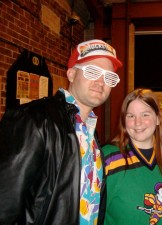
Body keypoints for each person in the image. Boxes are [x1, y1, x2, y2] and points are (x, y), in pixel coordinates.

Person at [0, 39, 122, 225]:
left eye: (109, 77)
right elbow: (5, 204)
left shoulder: (90, 131)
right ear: (71, 74)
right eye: (92, 71)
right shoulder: (34, 118)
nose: (101, 82)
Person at [102, 88, 162, 225]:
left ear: (157, 118)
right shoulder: (109, 158)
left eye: (145, 115)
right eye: (131, 116)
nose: (138, 122)